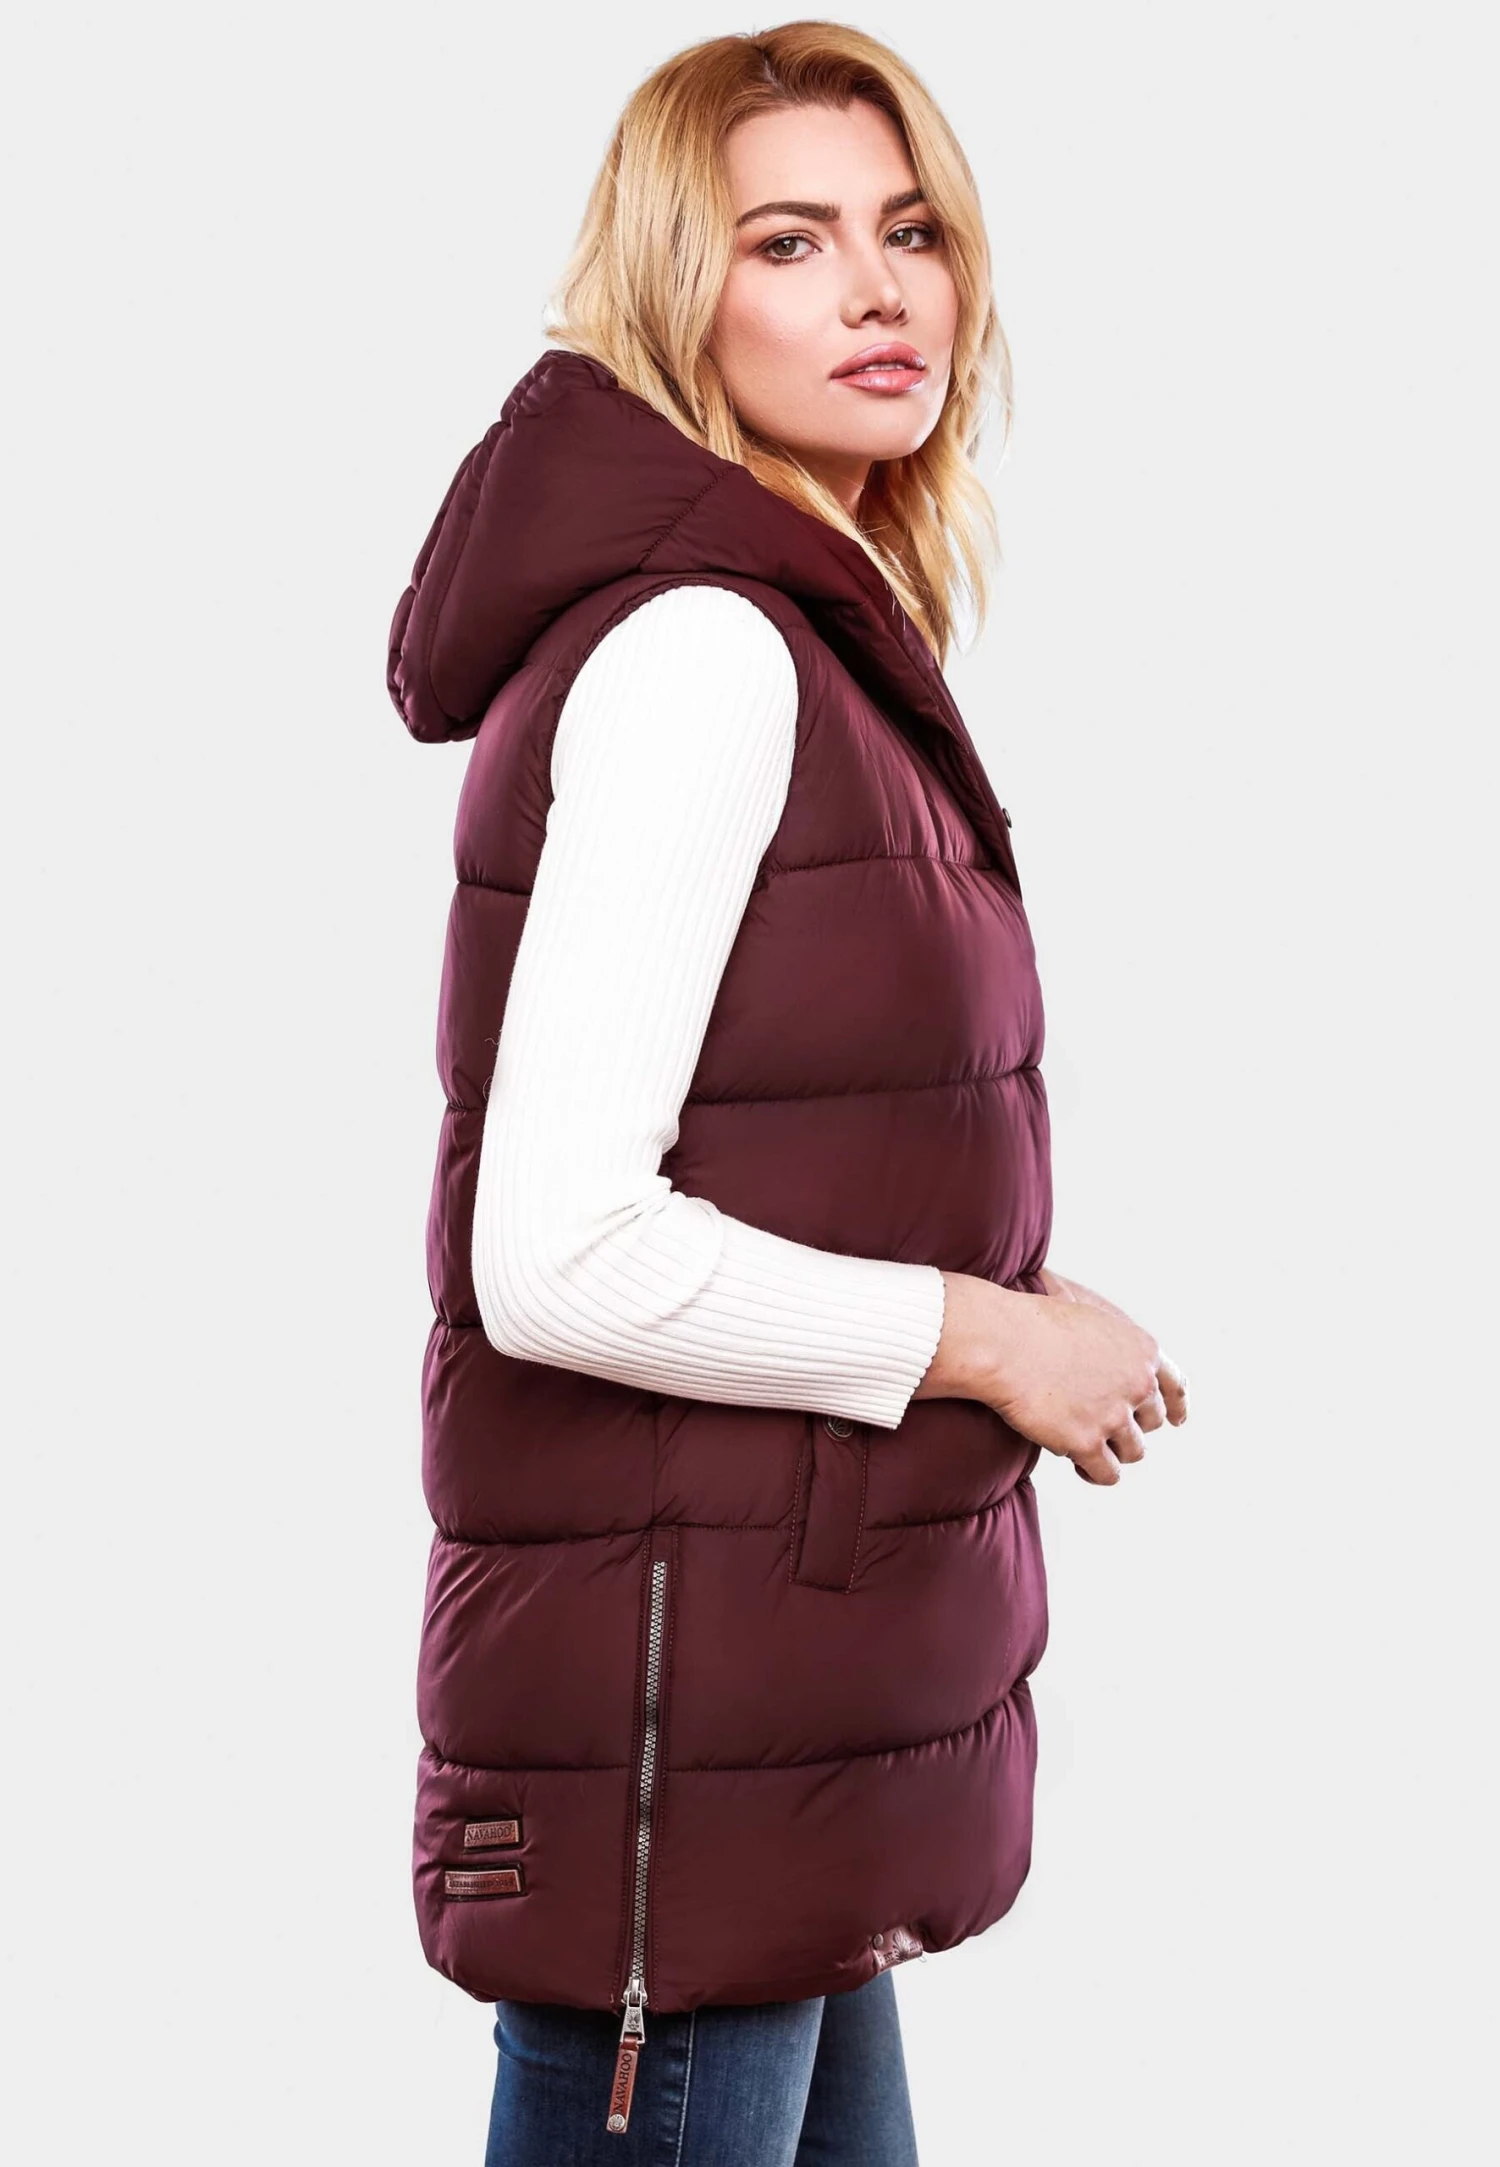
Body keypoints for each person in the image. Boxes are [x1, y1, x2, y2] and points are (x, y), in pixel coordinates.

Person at [385, 22, 1189, 2164]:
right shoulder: (706, 658)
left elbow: (787, 1143)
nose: (879, 290)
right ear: (680, 290)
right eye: (790, 241)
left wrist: (1005, 1300)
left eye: (911, 231)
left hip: (779, 1760)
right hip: (692, 1777)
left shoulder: (810, 645)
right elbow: (557, 1252)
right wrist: (987, 1338)